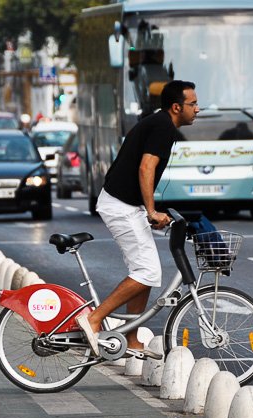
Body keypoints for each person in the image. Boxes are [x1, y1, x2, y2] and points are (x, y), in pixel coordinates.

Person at [76, 80, 199, 359]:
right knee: (147, 272)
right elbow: (146, 167)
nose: (197, 109)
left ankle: (131, 338)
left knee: (143, 271)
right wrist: (152, 210)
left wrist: (150, 209)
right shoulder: (163, 127)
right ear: (176, 107)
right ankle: (94, 320)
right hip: (121, 205)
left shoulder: (160, 124)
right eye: (193, 104)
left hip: (124, 204)